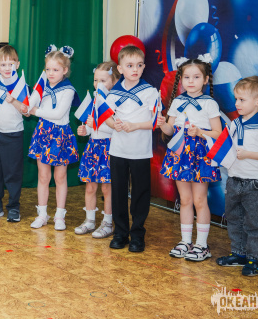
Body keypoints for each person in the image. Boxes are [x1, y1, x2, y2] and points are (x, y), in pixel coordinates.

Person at [159, 56, 221, 262]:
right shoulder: (177, 101)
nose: (191, 81)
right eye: (187, 77)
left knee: (199, 200)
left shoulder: (209, 103)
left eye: (196, 77)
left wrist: (200, 132)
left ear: (205, 79)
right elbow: (170, 129)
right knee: (184, 199)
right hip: (180, 154)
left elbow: (218, 133)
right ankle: (186, 241)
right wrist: (162, 124)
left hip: (200, 155)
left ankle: (202, 245)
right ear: (181, 79)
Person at [104, 46, 165, 253]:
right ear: (120, 69)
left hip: (140, 152)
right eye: (129, 66)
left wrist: (135, 125)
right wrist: (114, 125)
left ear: (144, 67)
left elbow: (155, 122)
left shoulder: (150, 92)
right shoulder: (113, 93)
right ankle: (120, 233)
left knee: (140, 193)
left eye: (139, 65)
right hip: (118, 150)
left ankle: (137, 234)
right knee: (118, 193)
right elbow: (106, 117)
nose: (135, 69)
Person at [216, 76, 258, 276]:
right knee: (234, 219)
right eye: (236, 99)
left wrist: (248, 154)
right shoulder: (235, 123)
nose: (237, 103)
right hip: (234, 179)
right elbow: (227, 147)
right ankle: (238, 253)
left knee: (254, 223)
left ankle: (254, 259)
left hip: (255, 184)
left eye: (242, 100)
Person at [28, 45, 79, 231]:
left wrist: (36, 111)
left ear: (64, 70)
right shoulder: (43, 83)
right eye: (48, 69)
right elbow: (31, 102)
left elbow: (58, 114)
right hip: (43, 132)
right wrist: (28, 106)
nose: (50, 73)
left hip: (60, 135)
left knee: (60, 176)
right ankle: (42, 215)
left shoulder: (68, 89)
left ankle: (59, 216)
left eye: (55, 70)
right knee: (43, 176)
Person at [0, 45, 28, 223]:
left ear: (17, 64)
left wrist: (14, 101)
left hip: (14, 134)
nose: (7, 68)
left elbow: (26, 112)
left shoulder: (22, 85)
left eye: (11, 64)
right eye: (3, 65)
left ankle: (14, 207)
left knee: (13, 173)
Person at [75, 61, 120, 238]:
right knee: (90, 187)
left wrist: (96, 124)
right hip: (93, 147)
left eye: (103, 80)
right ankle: (90, 221)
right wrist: (86, 130)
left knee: (107, 189)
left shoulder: (114, 101)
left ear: (114, 81)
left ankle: (108, 223)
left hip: (108, 148)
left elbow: (115, 128)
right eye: (96, 80)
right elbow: (92, 127)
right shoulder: (95, 100)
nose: (98, 84)